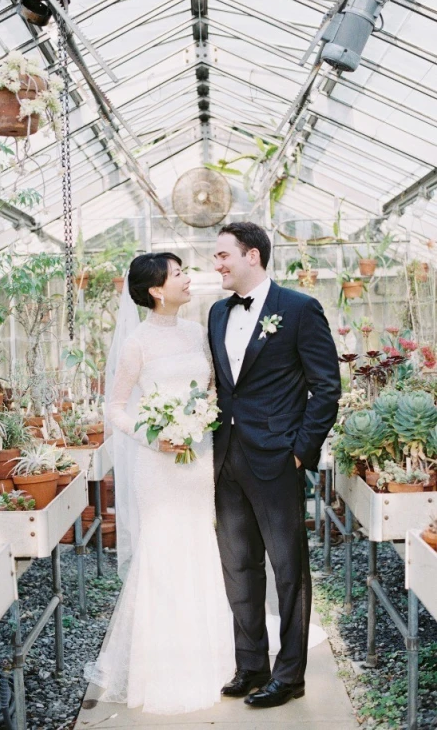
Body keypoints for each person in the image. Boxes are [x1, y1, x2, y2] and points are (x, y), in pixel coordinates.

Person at [84, 252, 235, 715]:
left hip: (196, 462)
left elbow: (212, 387)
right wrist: (154, 435)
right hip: (158, 465)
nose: (189, 279)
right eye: (179, 274)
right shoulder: (137, 344)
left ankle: (213, 657)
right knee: (163, 553)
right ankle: (164, 666)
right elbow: (115, 407)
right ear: (155, 290)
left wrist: (200, 419)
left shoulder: (196, 333)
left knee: (198, 547)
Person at [208, 222, 341, 709]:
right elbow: (226, 388)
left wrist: (302, 449)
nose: (216, 264)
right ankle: (251, 665)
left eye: (223, 255)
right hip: (227, 457)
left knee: (288, 569)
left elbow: (326, 386)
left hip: (279, 457)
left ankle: (290, 675)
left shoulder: (300, 309)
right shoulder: (217, 314)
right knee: (239, 565)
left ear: (253, 257)